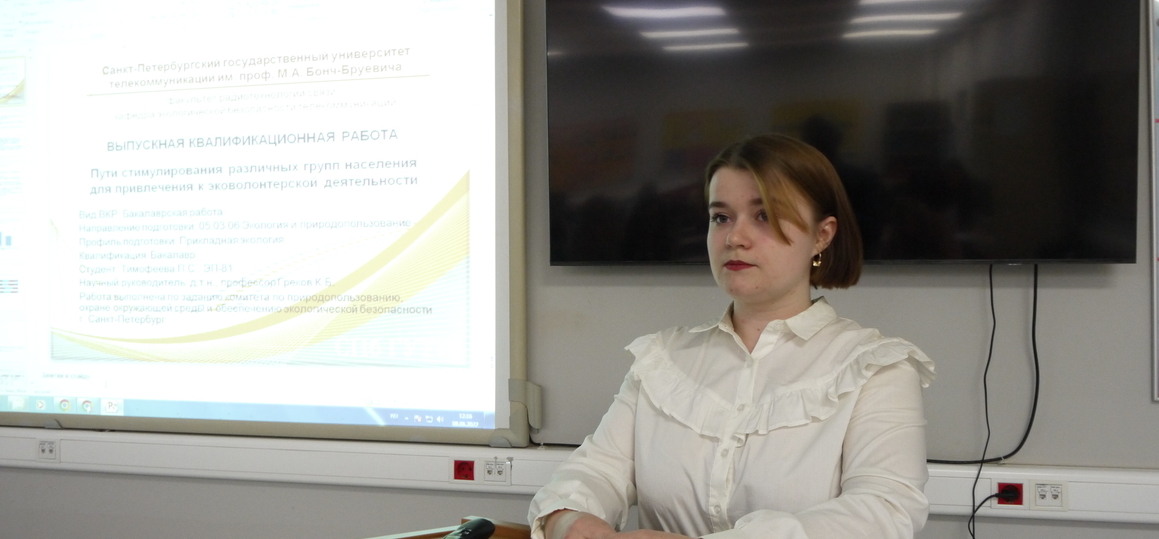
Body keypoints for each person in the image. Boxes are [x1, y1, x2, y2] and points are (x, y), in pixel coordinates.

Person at [527, 134, 936, 539]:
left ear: (822, 235)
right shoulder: (663, 359)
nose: (734, 237)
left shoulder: (876, 369)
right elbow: (596, 471)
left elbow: (883, 510)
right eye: (721, 217)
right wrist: (569, 519)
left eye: (763, 215)